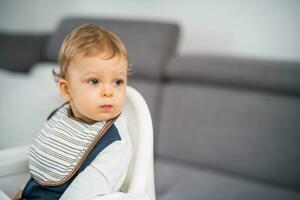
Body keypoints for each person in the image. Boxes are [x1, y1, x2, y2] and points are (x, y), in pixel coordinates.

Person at [20, 24, 148, 200]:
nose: (108, 91)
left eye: (118, 82)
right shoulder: (62, 116)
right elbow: (43, 167)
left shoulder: (113, 144)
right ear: (67, 90)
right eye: (95, 81)